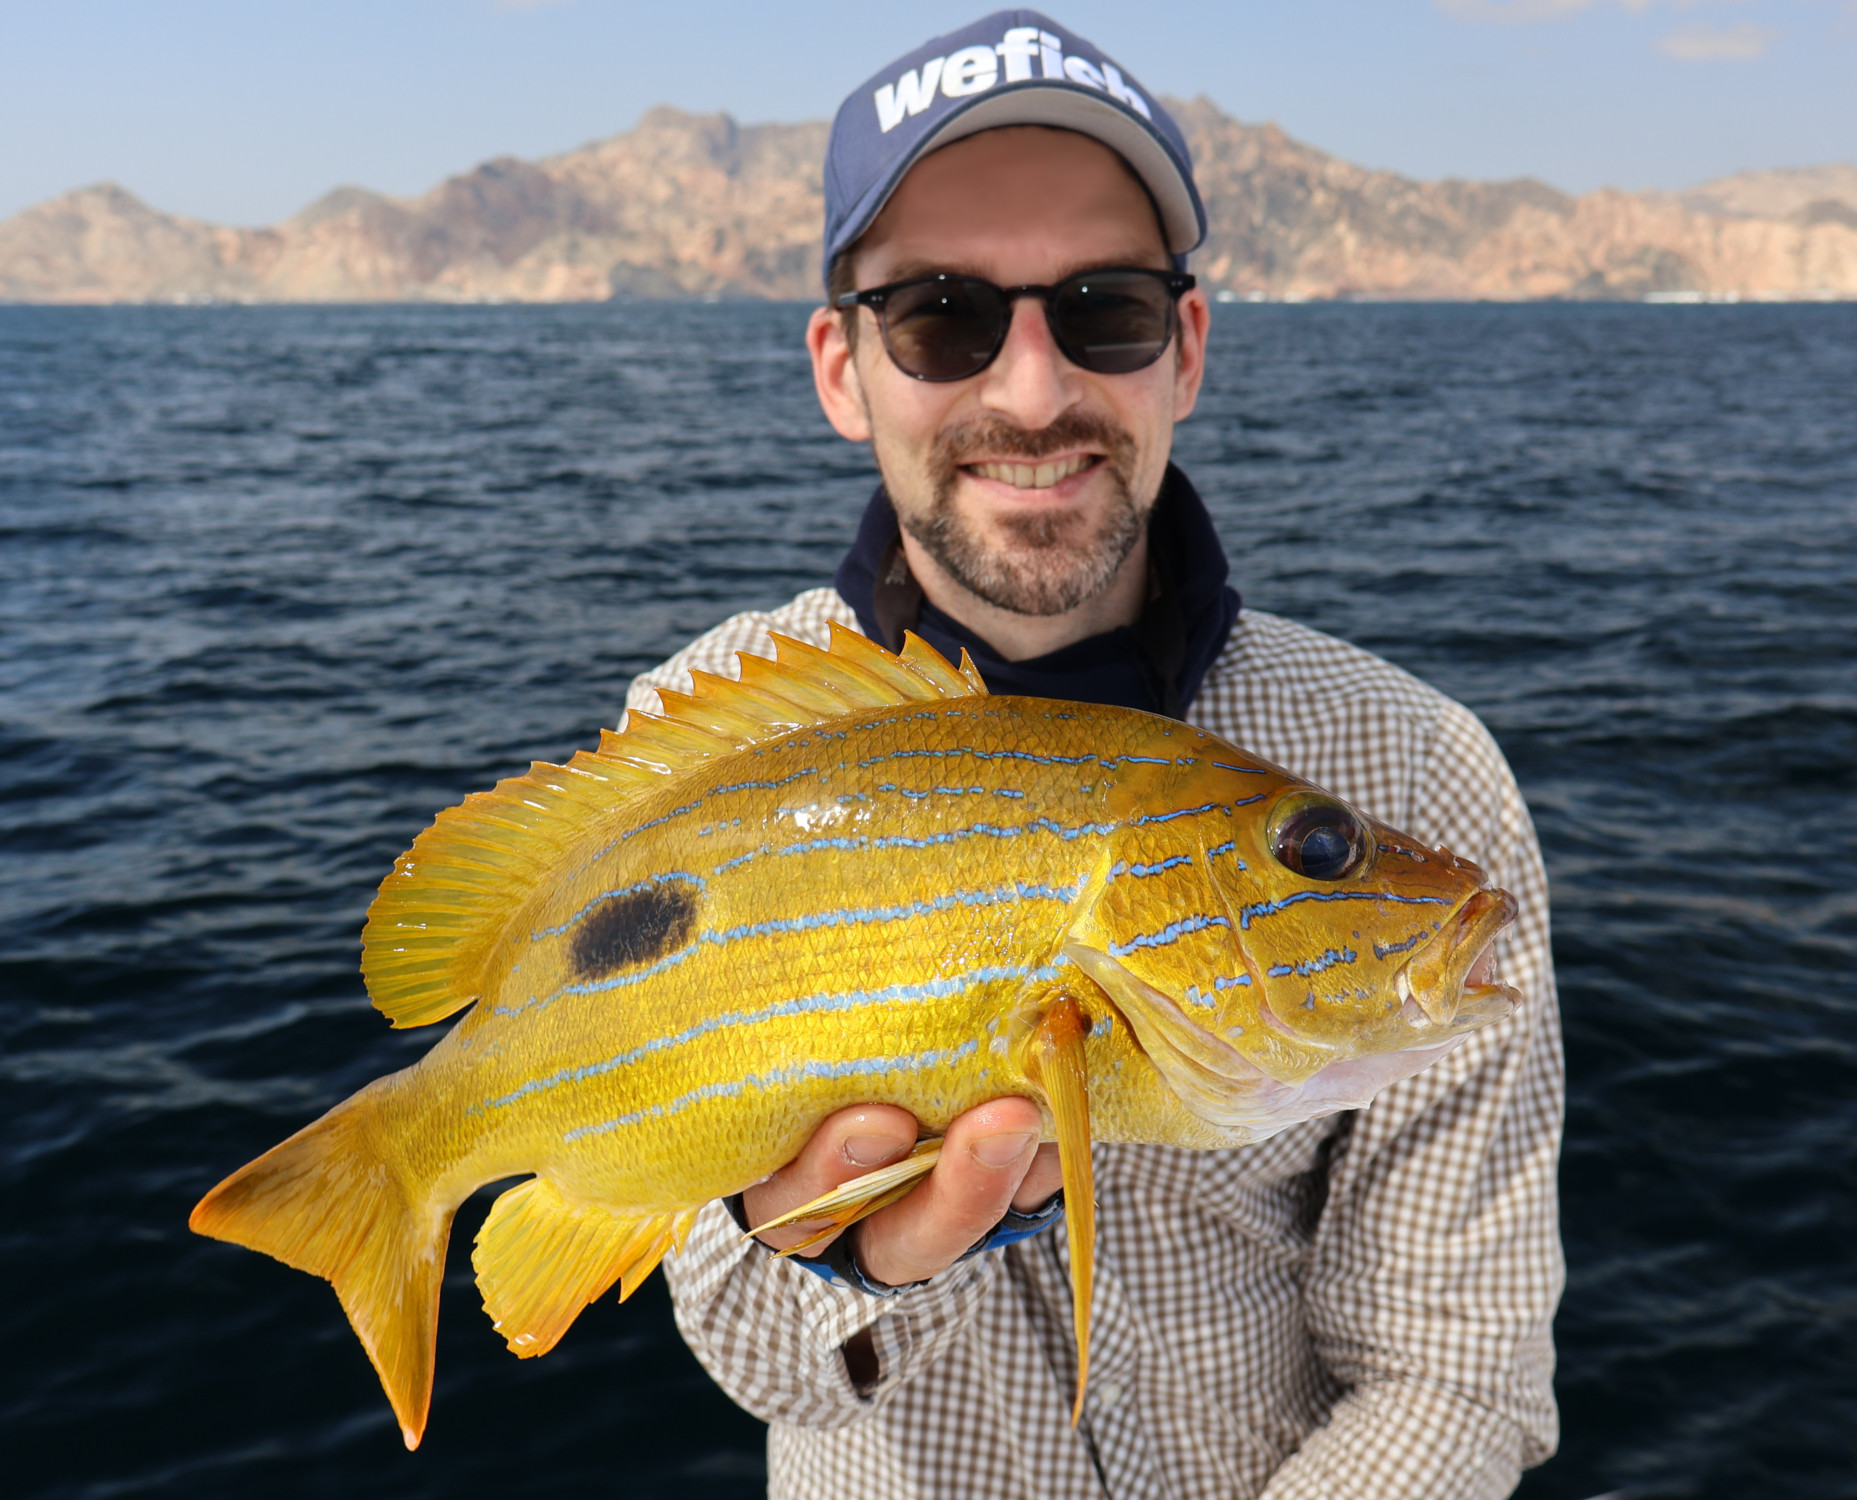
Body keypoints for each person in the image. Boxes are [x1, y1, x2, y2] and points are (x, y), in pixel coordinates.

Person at [624, 12, 1563, 1498]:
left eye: (1105, 309)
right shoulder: (701, 737)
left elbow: (1455, 1373)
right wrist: (843, 1266)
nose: (1032, 391)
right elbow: (750, 1357)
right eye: (941, 316)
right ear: (842, 368)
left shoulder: (1416, 770)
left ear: (1183, 349)